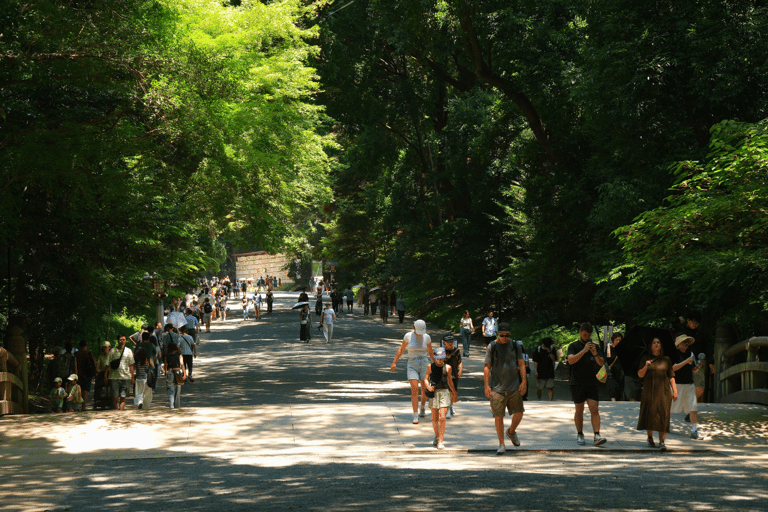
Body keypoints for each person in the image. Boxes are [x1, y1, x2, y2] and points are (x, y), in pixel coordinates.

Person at [484, 323, 526, 455]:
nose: (504, 338)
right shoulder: (492, 346)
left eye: (507, 335)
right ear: (498, 334)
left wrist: (524, 381)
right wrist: (486, 385)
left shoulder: (515, 345)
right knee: (498, 416)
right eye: (502, 335)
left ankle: (511, 432)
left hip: (514, 386)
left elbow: (521, 363)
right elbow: (487, 366)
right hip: (497, 388)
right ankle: (501, 444)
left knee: (519, 413)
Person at [567, 323, 607, 446]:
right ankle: (580, 433)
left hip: (592, 382)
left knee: (594, 409)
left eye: (589, 335)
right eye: (585, 334)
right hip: (577, 382)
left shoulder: (594, 346)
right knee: (579, 410)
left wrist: (595, 353)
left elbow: (601, 363)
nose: (587, 337)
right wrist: (584, 351)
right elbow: (570, 360)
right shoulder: (573, 346)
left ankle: (597, 434)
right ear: (580, 332)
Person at [390, 319, 435, 424]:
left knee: (424, 390)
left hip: (424, 363)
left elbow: (431, 352)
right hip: (412, 364)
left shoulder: (427, 337)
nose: (419, 334)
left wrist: (437, 365)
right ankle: (415, 414)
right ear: (414, 328)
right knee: (414, 389)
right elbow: (401, 349)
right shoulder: (408, 336)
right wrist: (394, 362)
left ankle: (422, 406)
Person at [637, 338, 678, 451]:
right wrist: (646, 366)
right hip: (649, 391)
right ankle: (650, 437)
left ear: (661, 346)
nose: (656, 344)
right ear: (650, 346)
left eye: (658, 342)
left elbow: (671, 376)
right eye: (653, 342)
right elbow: (640, 375)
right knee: (650, 414)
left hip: (664, 391)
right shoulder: (645, 358)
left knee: (663, 415)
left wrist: (675, 390)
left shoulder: (666, 360)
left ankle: (662, 442)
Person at [671, 334, 704, 440]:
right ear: (678, 344)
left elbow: (693, 369)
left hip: (689, 384)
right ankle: (663, 425)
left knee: (693, 409)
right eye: (684, 342)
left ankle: (694, 431)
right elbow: (672, 368)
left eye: (687, 342)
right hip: (677, 385)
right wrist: (685, 362)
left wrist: (698, 366)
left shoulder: (691, 354)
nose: (686, 344)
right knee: (670, 408)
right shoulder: (674, 354)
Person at [424, 347, 457, 450]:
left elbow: (450, 381)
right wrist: (428, 387)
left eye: (441, 358)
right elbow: (426, 379)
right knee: (434, 418)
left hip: (444, 392)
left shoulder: (448, 368)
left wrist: (454, 393)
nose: (440, 361)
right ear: (434, 358)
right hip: (434, 393)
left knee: (442, 417)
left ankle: (441, 440)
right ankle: (437, 436)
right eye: (438, 358)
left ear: (444, 358)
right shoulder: (430, 366)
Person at [106, 334, 135, 411]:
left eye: (124, 339)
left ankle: (120, 412)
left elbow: (131, 365)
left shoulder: (129, 351)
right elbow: (107, 364)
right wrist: (105, 376)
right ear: (118, 341)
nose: (122, 341)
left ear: (126, 340)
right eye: (120, 339)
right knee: (114, 398)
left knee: (123, 398)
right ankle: (116, 411)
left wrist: (132, 377)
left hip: (125, 377)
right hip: (113, 377)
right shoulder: (112, 351)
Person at [442, 334, 462, 418]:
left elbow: (459, 361)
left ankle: (451, 405)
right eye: (448, 342)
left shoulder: (457, 351)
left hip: (454, 374)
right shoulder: (441, 351)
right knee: (446, 391)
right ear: (444, 342)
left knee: (453, 391)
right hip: (444, 375)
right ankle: (447, 410)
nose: (450, 343)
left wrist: (460, 370)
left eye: (451, 342)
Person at [73, 339, 96, 411]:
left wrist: (76, 375)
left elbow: (75, 365)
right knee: (85, 391)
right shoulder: (89, 353)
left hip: (78, 374)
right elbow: (94, 363)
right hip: (87, 374)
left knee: (78, 390)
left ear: (80, 345)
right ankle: (83, 407)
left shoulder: (76, 354)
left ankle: (77, 407)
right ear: (86, 346)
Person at [604, 332, 625, 401]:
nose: (618, 341)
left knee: (619, 392)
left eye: (620, 340)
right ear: (613, 340)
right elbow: (605, 360)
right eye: (616, 340)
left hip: (620, 373)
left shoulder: (623, 349)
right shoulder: (609, 348)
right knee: (612, 390)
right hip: (611, 373)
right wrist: (608, 371)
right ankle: (613, 402)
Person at [164, 341, 185, 409]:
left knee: (170, 389)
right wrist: (184, 373)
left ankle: (171, 405)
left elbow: (165, 365)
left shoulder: (167, 355)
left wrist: (165, 372)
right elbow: (182, 364)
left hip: (170, 372)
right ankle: (177, 404)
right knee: (178, 389)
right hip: (177, 372)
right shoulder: (179, 355)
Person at [93, 340, 111, 410]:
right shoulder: (101, 356)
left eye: (106, 347)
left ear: (109, 347)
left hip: (110, 374)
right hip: (102, 373)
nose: (104, 349)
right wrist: (100, 372)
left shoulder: (111, 356)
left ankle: (111, 402)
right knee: (98, 386)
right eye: (103, 347)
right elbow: (97, 367)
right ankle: (96, 401)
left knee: (110, 388)